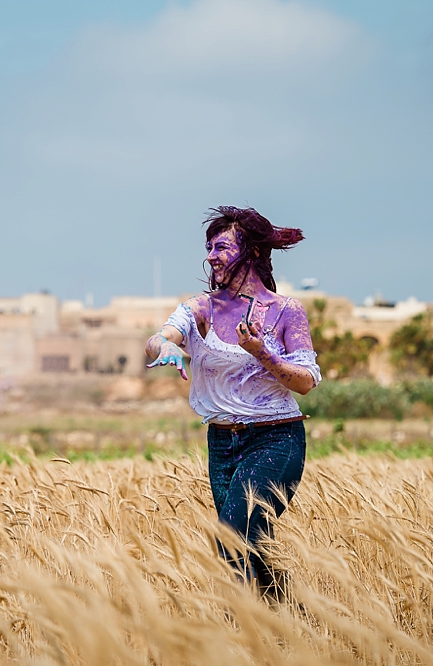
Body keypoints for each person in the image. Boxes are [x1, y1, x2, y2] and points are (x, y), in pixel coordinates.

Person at [144, 205, 320, 599]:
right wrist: (166, 347)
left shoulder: (286, 312)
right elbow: (161, 336)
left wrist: (263, 353)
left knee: (231, 535)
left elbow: (306, 382)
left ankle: (239, 626)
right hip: (222, 444)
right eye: (209, 247)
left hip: (276, 440)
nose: (210, 256)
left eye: (221, 247)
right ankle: (288, 625)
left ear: (253, 252)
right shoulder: (201, 308)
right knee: (248, 548)